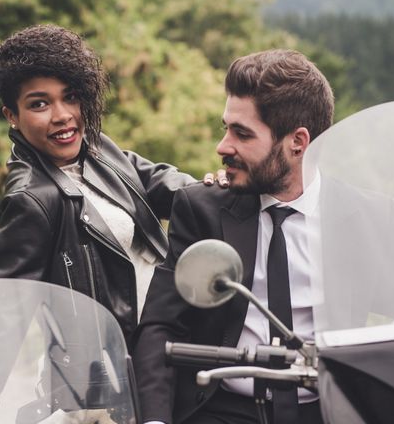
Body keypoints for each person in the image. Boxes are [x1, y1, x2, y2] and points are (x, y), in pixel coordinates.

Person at [0, 23, 224, 347]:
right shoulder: (30, 201)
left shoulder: (97, 149)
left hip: (166, 346)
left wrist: (217, 186)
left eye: (70, 97)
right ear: (11, 115)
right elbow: (2, 317)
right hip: (107, 374)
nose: (62, 115)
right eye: (39, 103)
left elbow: (160, 182)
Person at [133, 49, 334, 424]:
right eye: (225, 127)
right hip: (223, 406)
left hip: (329, 410)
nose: (223, 147)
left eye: (241, 134)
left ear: (298, 142)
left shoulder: (358, 217)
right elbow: (161, 325)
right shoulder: (202, 209)